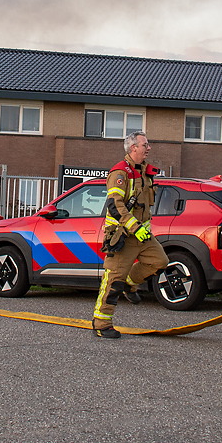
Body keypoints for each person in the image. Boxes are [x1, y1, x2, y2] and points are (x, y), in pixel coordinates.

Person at [91, 131, 169, 339]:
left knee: (160, 261)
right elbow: (114, 206)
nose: (148, 148)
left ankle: (130, 282)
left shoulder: (144, 172)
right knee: (112, 279)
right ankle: (102, 323)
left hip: (142, 235)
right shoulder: (120, 173)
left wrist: (142, 229)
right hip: (123, 235)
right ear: (133, 147)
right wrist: (135, 227)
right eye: (145, 144)